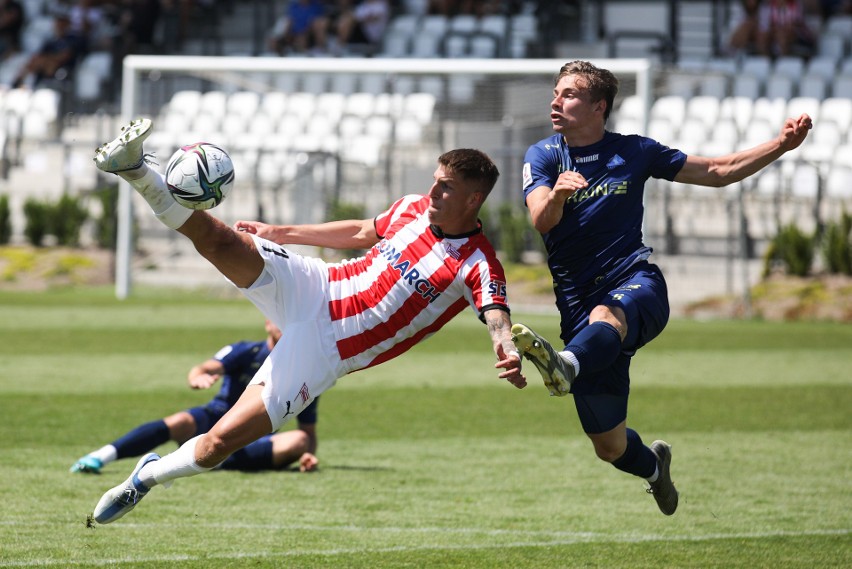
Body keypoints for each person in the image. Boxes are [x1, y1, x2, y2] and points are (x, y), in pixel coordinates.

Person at [89, 118, 525, 524]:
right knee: (218, 240)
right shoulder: (411, 209)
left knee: (219, 442)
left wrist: (503, 347)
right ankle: (136, 171)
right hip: (316, 284)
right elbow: (359, 232)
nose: (432, 193)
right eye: (434, 181)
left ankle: (143, 480)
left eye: (445, 188)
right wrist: (282, 232)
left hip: (325, 349)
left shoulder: (478, 263)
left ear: (473, 199)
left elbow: (496, 316)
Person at [511, 60, 812, 516]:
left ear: (599, 106)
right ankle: (655, 470)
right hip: (577, 308)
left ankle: (566, 364)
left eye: (569, 94)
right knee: (609, 446)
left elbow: (718, 170)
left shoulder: (635, 151)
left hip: (635, 284)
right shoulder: (544, 156)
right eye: (556, 92)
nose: (556, 100)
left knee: (606, 316)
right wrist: (557, 195)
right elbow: (540, 220)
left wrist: (781, 145)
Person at [70, 320, 320, 476]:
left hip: (253, 436)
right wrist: (197, 377)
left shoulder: (302, 371)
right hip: (215, 417)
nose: (284, 326)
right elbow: (203, 368)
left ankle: (211, 459)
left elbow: (307, 431)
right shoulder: (246, 350)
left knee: (297, 441)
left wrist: (308, 454)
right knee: (180, 421)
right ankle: (100, 457)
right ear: (267, 323)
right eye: (279, 320)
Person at [10, 12, 85, 89]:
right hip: (46, 65)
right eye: (58, 25)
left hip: (64, 66)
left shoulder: (73, 39)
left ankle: (43, 85)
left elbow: (66, 55)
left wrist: (47, 59)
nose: (59, 27)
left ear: (68, 26)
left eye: (62, 25)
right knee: (35, 60)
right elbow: (40, 55)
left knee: (46, 62)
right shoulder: (51, 41)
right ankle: (19, 82)